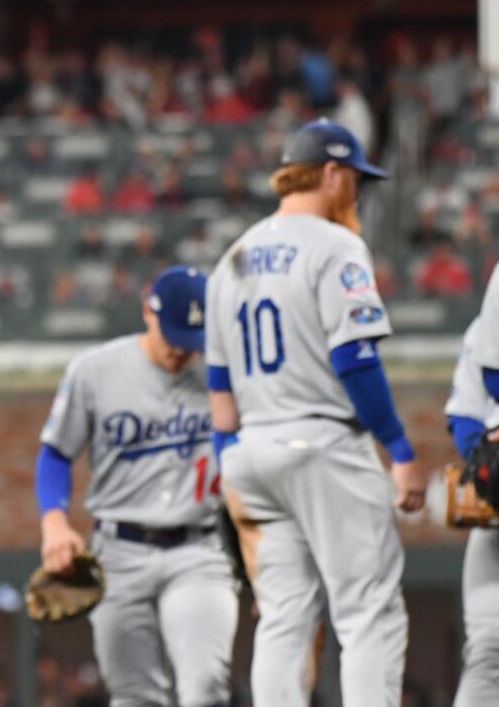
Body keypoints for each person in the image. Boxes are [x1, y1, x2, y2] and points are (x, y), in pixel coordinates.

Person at [206, 119, 425, 707]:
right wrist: (399, 451)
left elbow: (219, 394)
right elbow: (355, 360)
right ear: (330, 173)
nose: (357, 190)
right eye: (354, 177)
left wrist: (233, 468)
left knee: (282, 617)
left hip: (252, 453)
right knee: (368, 612)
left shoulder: (232, 258)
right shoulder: (336, 245)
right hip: (322, 444)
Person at [36, 266, 237, 707]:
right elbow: (55, 454)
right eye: (176, 337)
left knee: (205, 687)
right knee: (134, 698)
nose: (183, 352)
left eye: (193, 341)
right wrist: (54, 522)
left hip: (198, 549)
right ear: (149, 311)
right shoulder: (96, 370)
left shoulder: (225, 375)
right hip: (118, 551)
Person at [443, 316, 499, 706]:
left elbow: (464, 419)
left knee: (488, 649)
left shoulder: (485, 324)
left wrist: (485, 461)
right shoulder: (484, 326)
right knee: (488, 648)